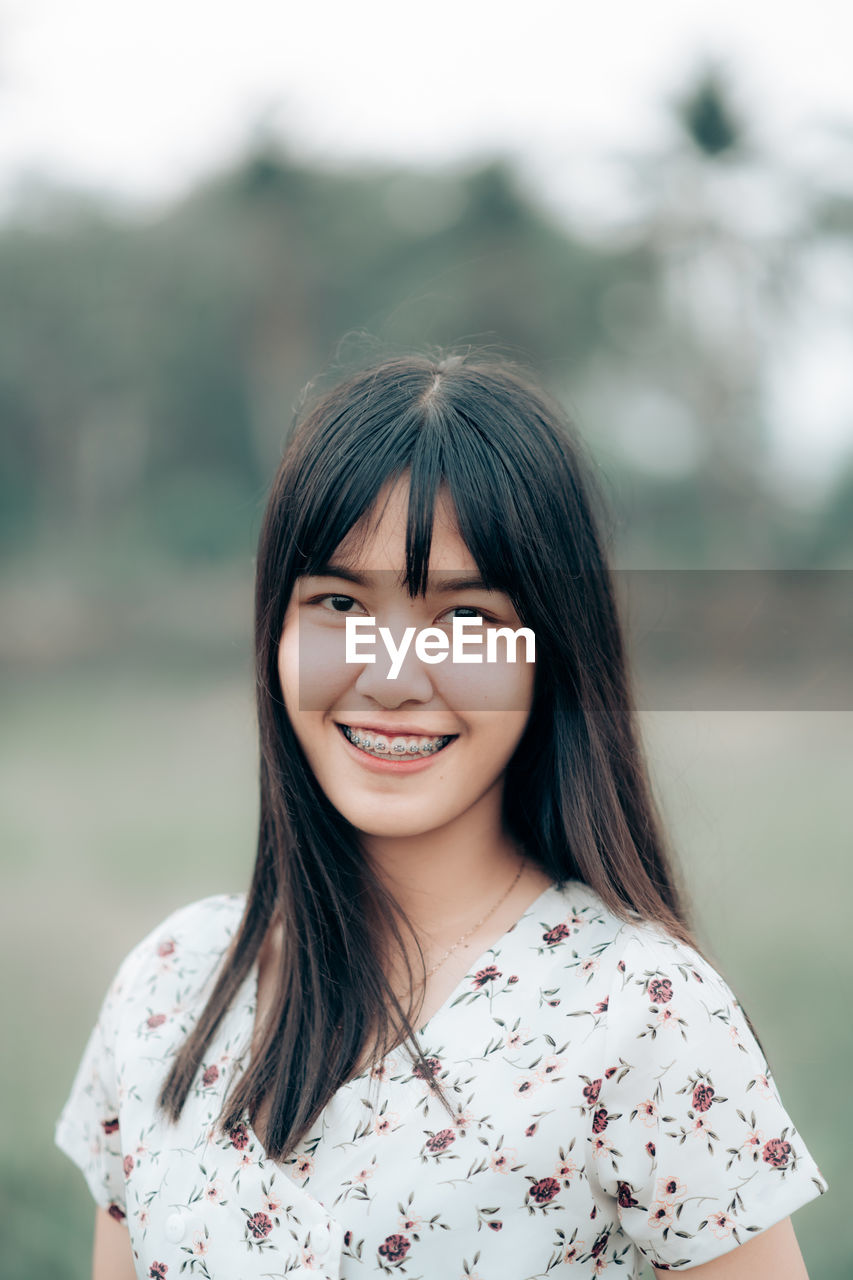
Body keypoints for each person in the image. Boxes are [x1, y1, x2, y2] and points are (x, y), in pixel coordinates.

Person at [56, 352, 827, 1279]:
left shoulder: (642, 1016)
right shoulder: (170, 989)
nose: (389, 678)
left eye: (464, 620)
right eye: (339, 603)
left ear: (551, 651)